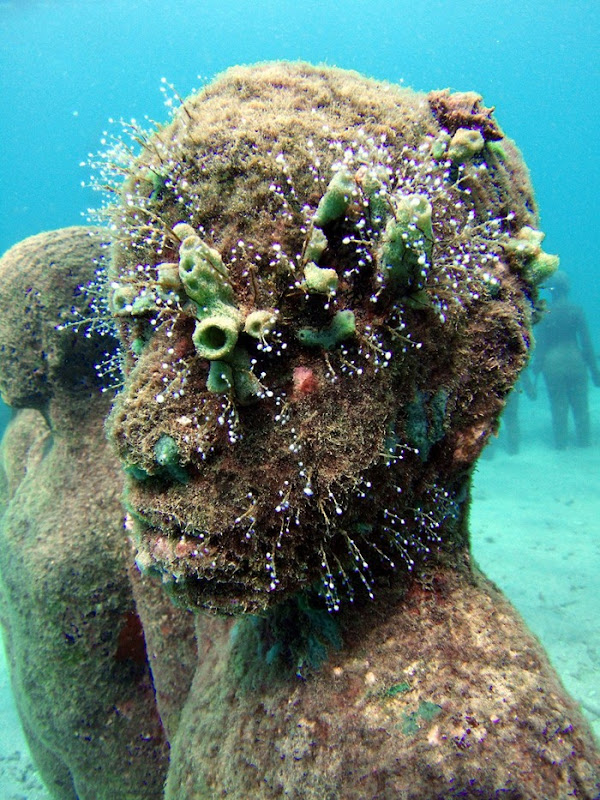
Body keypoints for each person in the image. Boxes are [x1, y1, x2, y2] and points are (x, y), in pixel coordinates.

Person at [533, 271, 600, 449]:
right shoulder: (576, 310)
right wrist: (595, 372)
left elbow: (540, 346)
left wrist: (536, 371)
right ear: (567, 288)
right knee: (581, 408)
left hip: (552, 366)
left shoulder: (545, 313)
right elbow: (587, 344)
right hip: (576, 363)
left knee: (558, 408)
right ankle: (584, 442)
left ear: (551, 290)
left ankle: (561, 444)